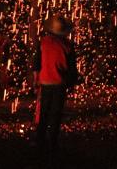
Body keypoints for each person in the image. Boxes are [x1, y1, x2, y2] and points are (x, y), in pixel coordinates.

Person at [33, 14, 78, 158]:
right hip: (59, 83)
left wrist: (36, 80)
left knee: (44, 113)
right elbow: (72, 68)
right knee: (55, 114)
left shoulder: (43, 42)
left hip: (45, 82)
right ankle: (52, 143)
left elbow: (36, 63)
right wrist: (71, 84)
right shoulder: (67, 45)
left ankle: (39, 142)